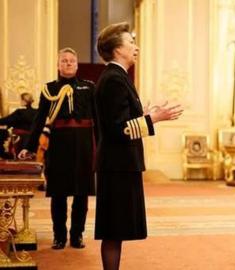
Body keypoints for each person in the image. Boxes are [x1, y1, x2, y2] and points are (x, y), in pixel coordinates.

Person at [94, 22, 183, 270]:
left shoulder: (118, 77)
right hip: (117, 166)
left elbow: (121, 120)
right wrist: (154, 118)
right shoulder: (113, 79)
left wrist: (146, 113)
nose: (136, 46)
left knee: (117, 228)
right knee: (113, 229)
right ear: (116, 48)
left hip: (121, 164)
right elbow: (117, 129)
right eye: (130, 42)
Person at [18, 48, 96, 249]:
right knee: (59, 193)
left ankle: (77, 235)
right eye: (64, 61)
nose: (68, 64)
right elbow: (38, 120)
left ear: (77, 65)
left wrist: (103, 147)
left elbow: (99, 119)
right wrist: (29, 147)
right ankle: (59, 236)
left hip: (83, 146)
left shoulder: (89, 87)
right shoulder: (49, 89)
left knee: (81, 194)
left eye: (72, 61)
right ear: (58, 65)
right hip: (58, 146)